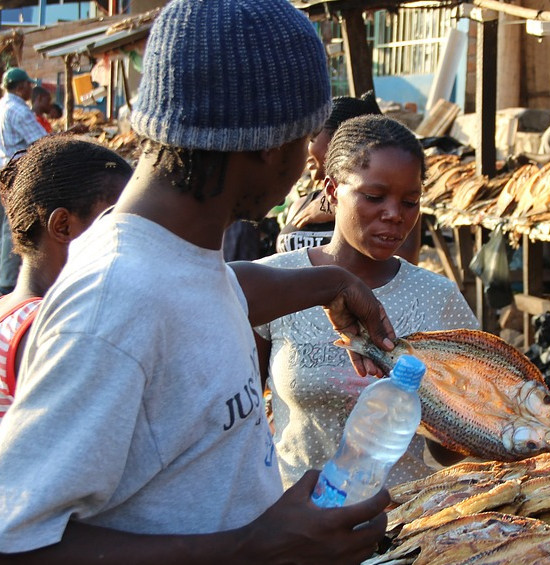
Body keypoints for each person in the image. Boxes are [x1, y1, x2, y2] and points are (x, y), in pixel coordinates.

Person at [0, 1, 395, 563]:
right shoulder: (111, 304)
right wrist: (255, 548)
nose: (308, 164)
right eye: (307, 141)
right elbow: (15, 542)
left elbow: (206, 293)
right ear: (268, 143)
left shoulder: (168, 252)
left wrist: (330, 283)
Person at [256, 114, 479, 490]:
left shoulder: (438, 298)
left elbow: (449, 454)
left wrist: (441, 401)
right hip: (295, 513)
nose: (394, 214)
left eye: (410, 202)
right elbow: (237, 416)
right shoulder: (277, 282)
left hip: (402, 516)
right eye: (374, 197)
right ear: (331, 190)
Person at [0, 137, 131, 420]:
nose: (128, 236)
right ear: (63, 226)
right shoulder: (54, 329)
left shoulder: (8, 309)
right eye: (115, 222)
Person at [278, 90, 383, 253]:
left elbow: (401, 261)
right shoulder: (301, 204)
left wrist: (343, 210)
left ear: (340, 141)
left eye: (311, 139)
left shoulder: (386, 208)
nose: (305, 149)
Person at [0, 67, 46, 295]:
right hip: (17, 173)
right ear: (20, 87)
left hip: (4, 169)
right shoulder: (19, 110)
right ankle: (8, 283)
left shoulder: (2, 105)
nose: (30, 88)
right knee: (13, 227)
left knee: (5, 226)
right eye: (28, 85)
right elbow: (42, 143)